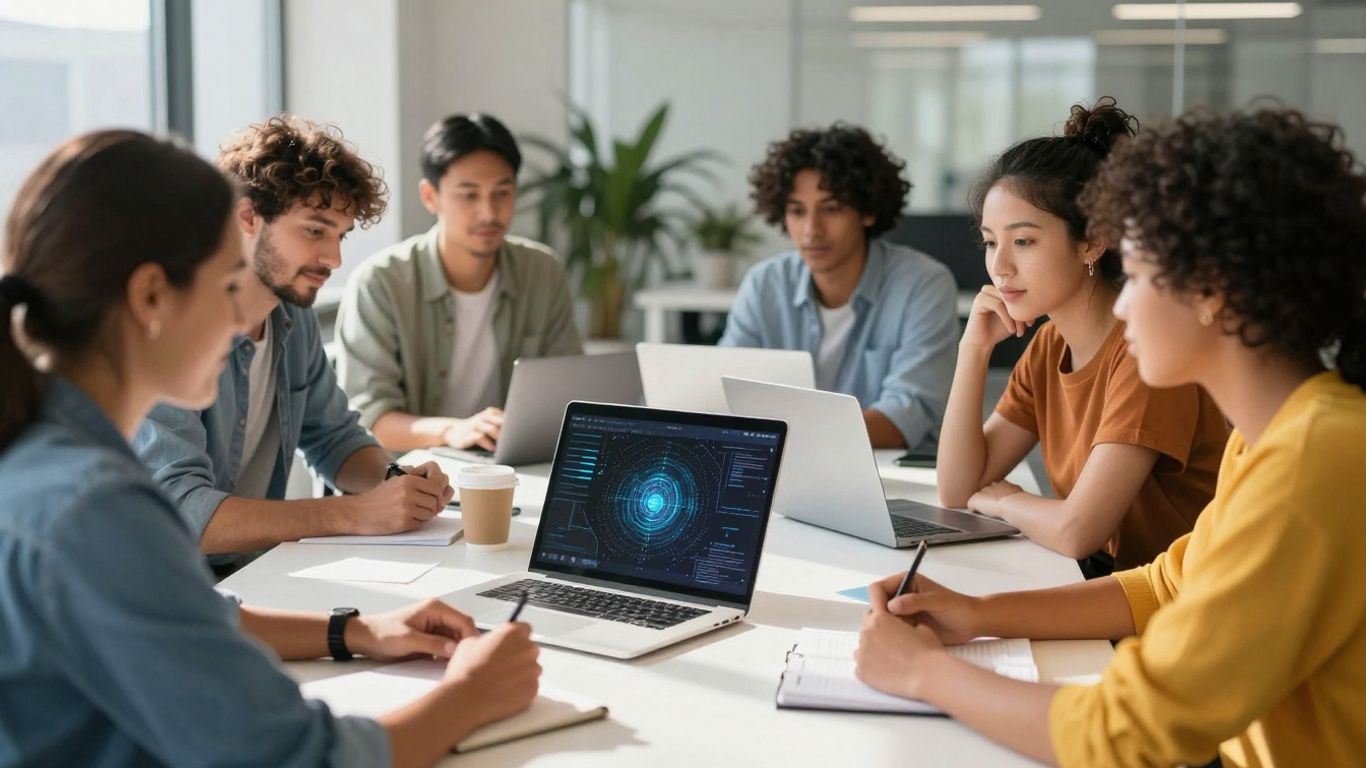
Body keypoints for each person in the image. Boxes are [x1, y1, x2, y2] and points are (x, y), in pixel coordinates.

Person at [0, 130, 540, 767]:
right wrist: (473, 695)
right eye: (228, 284)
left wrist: (354, 631)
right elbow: (297, 758)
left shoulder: (45, 460)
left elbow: (188, 618)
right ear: (150, 296)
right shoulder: (95, 509)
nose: (240, 321)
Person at [854, 106, 1366, 767]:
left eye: (1143, 275)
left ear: (1213, 290)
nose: (1123, 304)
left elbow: (1129, 732)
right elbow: (1162, 588)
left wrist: (924, 674)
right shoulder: (1276, 437)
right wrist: (977, 614)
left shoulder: (1315, 457)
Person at [133, 116, 451, 569]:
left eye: (340, 236)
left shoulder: (292, 317)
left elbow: (335, 437)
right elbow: (183, 513)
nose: (334, 259)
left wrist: (396, 482)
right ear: (248, 216)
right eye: (314, 230)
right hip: (178, 587)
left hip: (257, 572)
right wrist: (354, 514)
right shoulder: (173, 330)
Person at [936, 98, 1228, 574]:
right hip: (1107, 584)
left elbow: (1076, 532)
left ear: (1092, 241)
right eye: (991, 241)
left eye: (1023, 241)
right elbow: (956, 489)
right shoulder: (1050, 344)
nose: (999, 266)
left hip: (1169, 605)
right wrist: (973, 350)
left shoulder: (1144, 353)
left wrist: (1008, 501)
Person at [336, 113, 582, 454]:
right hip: (411, 478)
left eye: (502, 193)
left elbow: (568, 395)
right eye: (469, 195)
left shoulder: (543, 272)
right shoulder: (380, 283)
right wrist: (453, 430)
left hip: (511, 470)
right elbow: (369, 420)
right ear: (430, 196)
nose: (489, 213)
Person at [719, 123, 958, 450]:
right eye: (797, 211)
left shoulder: (924, 285)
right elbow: (724, 394)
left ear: (868, 211)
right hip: (781, 470)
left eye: (830, 209)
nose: (811, 230)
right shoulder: (765, 285)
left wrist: (789, 432)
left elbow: (906, 418)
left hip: (891, 475)